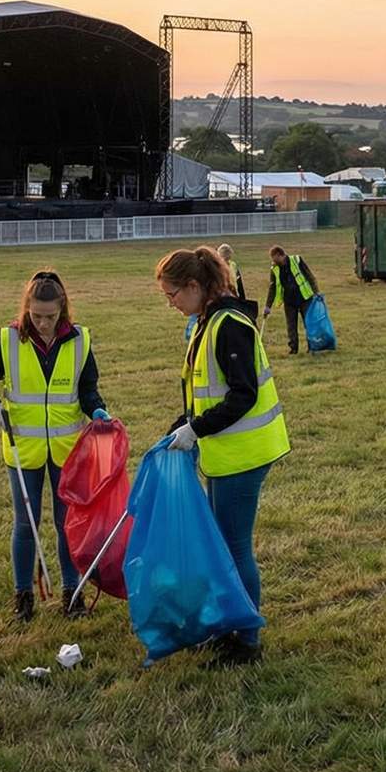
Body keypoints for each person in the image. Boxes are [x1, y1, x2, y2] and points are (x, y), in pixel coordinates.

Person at [155, 246, 292, 665]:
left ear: (194, 286)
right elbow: (204, 392)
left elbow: (243, 394)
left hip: (244, 453)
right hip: (225, 451)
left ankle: (246, 639)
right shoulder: (207, 321)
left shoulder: (228, 324)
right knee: (222, 545)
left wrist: (195, 430)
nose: (171, 303)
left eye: (172, 294)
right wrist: (182, 424)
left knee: (233, 547)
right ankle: (228, 626)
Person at [0, 270, 110, 621]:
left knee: (67, 523)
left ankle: (72, 593)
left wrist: (97, 410)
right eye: (36, 316)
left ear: (63, 310)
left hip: (67, 448)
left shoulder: (80, 340)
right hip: (23, 448)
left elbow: (87, 389)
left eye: (50, 316)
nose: (43, 324)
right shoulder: (8, 340)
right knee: (25, 523)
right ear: (26, 309)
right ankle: (24, 596)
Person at [263, 245, 319, 356]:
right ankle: (293, 349)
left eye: (274, 258)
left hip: (305, 297)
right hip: (289, 301)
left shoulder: (296, 260)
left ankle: (312, 346)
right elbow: (272, 288)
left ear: (280, 255)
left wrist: (316, 292)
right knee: (291, 326)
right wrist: (267, 306)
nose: (273, 261)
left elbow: (309, 276)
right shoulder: (274, 269)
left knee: (309, 323)